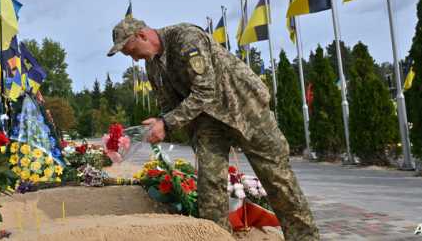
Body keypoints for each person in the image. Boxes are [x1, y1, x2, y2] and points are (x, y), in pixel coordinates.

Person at [107, 17, 319, 240]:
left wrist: (167, 123)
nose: (133, 58)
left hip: (245, 108)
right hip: (208, 121)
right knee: (210, 191)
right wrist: (160, 122)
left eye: (131, 51)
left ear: (142, 35)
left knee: (279, 182)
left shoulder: (186, 39)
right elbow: (168, 104)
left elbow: (205, 90)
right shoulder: (153, 65)